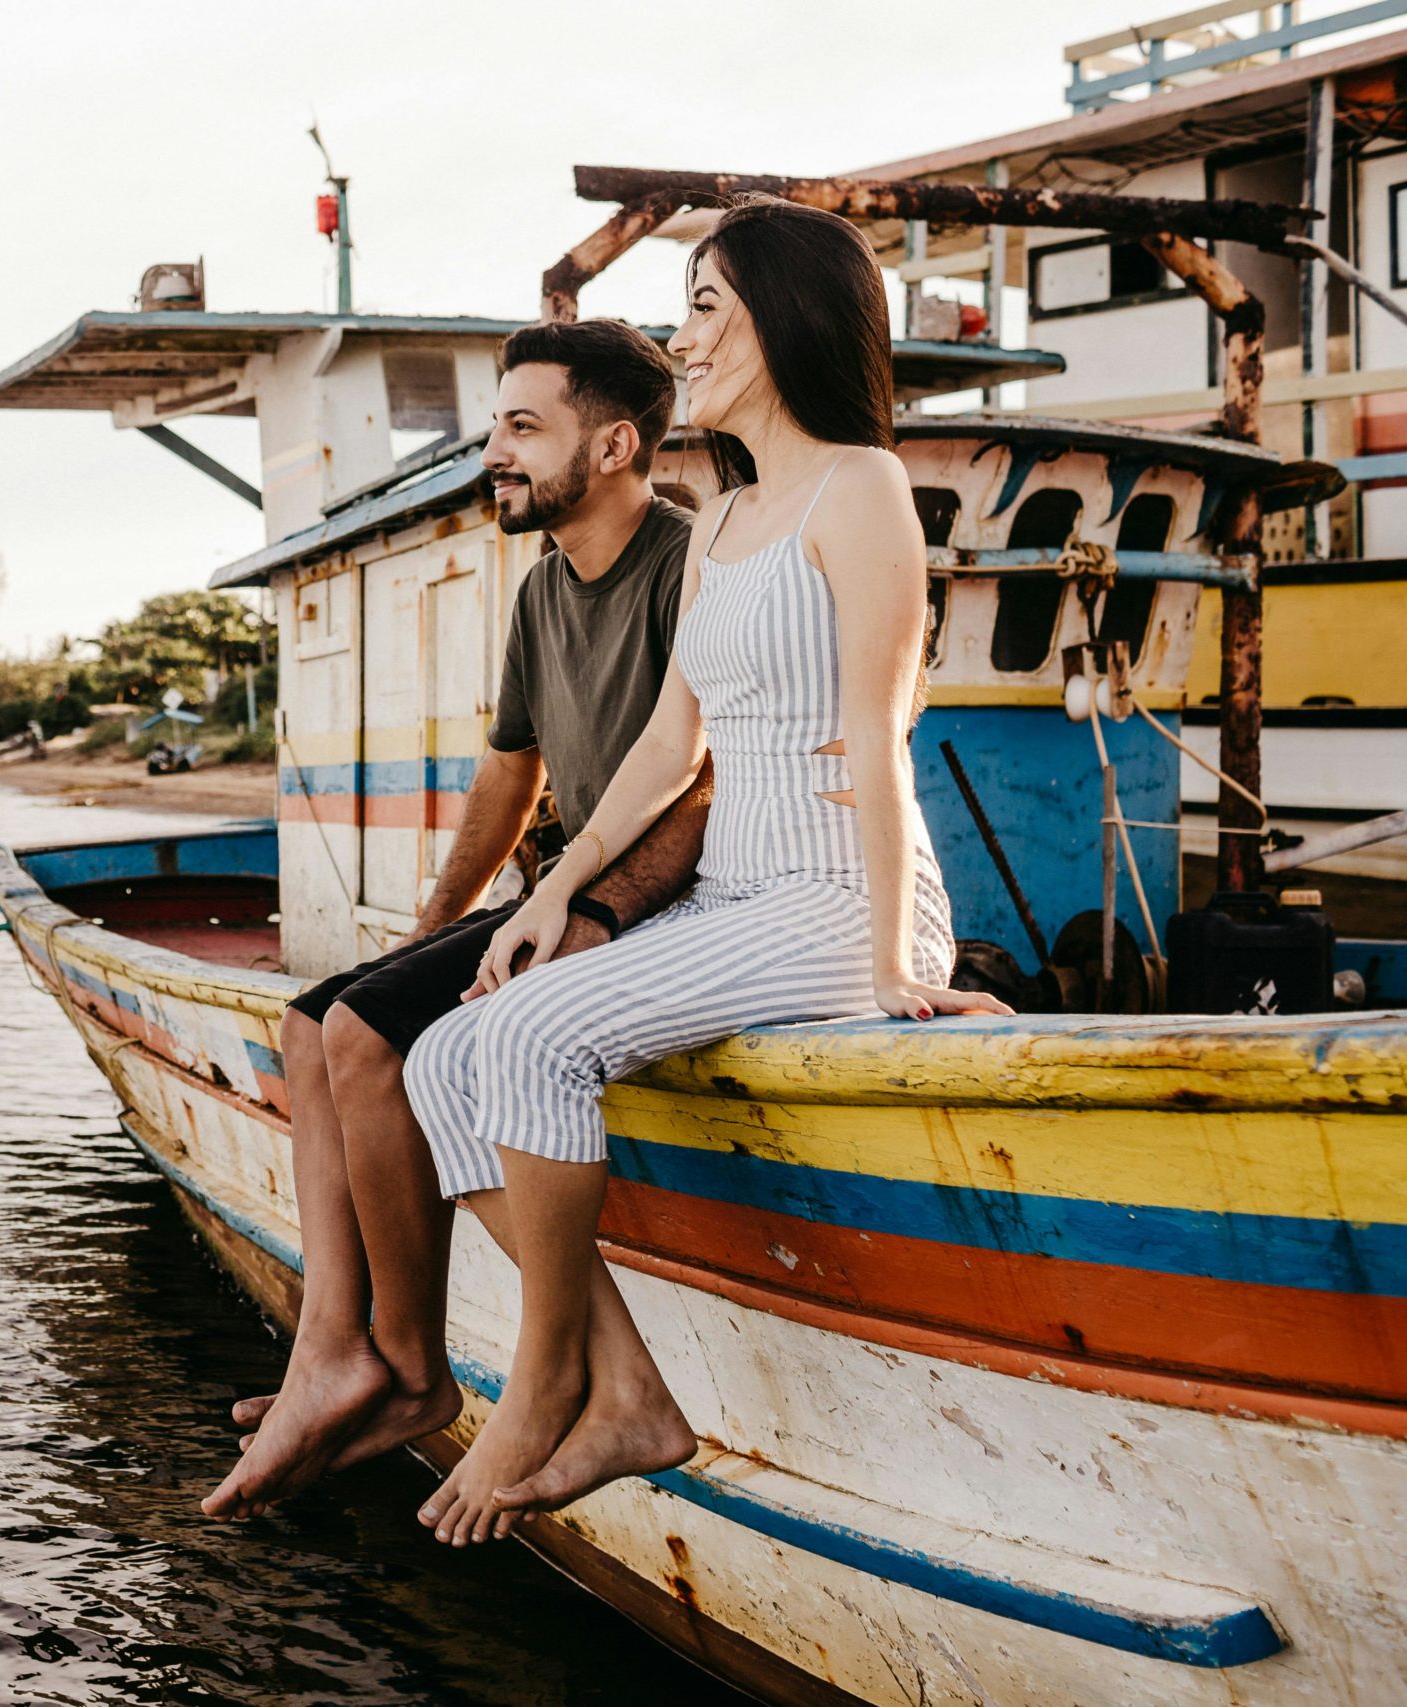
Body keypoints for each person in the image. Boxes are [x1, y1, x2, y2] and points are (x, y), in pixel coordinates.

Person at [399, 197, 1015, 1549]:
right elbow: (673, 740)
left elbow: (877, 730)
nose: (688, 341)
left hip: (839, 897)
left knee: (539, 1036)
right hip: (737, 893)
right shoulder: (723, 516)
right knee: (449, 1054)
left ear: (783, 322)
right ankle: (622, 1385)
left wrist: (906, 965)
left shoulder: (861, 492)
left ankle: (546, 1376)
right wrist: (558, 890)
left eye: (707, 311)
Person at [202, 318, 713, 1521]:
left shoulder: (686, 566)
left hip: (649, 902)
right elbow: (509, 774)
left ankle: (412, 1365)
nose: (495, 451)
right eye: (497, 426)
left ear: (615, 446)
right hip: (557, 888)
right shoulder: (544, 587)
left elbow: (702, 776)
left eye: (523, 428)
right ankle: (335, 1345)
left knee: (373, 1039)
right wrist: (433, 928)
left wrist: (582, 912)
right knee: (309, 1020)